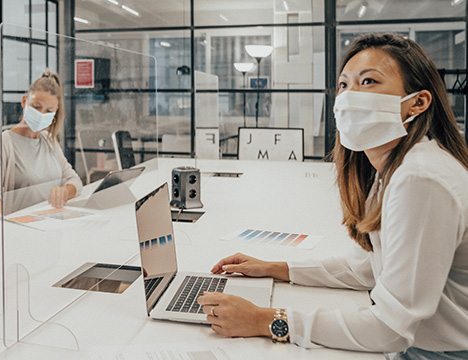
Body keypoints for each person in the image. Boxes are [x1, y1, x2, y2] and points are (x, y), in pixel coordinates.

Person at [196, 33, 468, 358]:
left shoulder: (421, 178)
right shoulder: (396, 168)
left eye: (368, 81)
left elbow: (390, 328)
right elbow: (368, 268)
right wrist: (277, 268)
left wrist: (264, 320)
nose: (350, 97)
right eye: (344, 85)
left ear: (418, 102)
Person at [0, 70, 82, 217]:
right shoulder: (0, 144)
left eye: (48, 110)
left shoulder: (49, 140)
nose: (41, 114)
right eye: (36, 106)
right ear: (24, 101)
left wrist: (65, 191)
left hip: (51, 221)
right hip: (18, 227)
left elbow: (75, 180)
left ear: (55, 111)